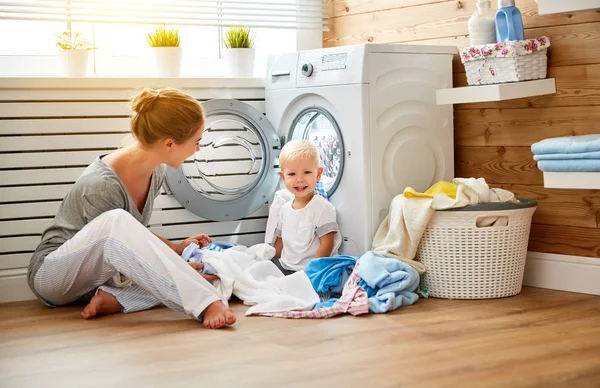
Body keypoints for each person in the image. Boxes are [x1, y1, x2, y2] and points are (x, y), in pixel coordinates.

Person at [27, 88, 235, 329]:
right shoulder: (102, 184)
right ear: (169, 143)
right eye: (196, 142)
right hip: (53, 276)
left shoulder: (155, 170)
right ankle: (205, 303)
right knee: (165, 268)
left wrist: (176, 249)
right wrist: (176, 271)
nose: (197, 149)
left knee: (196, 276)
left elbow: (134, 235)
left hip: (98, 280)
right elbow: (118, 244)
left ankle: (115, 301)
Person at [272, 140, 341, 275]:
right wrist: (269, 258)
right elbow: (280, 244)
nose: (300, 179)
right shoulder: (285, 209)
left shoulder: (322, 207)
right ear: (283, 177)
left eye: (307, 172)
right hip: (286, 267)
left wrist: (312, 272)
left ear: (318, 174)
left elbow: (327, 244)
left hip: (312, 271)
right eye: (292, 174)